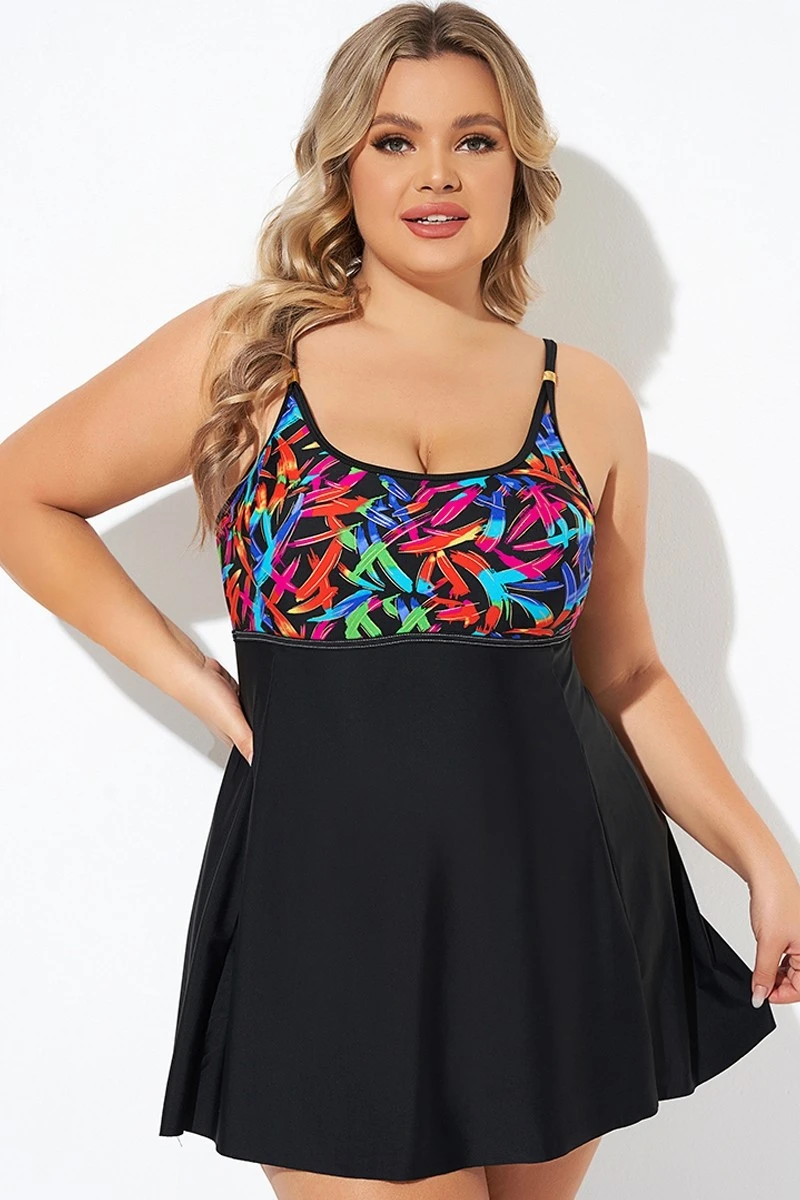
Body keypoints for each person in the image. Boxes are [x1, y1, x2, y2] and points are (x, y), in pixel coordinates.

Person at [1, 3, 798, 1198]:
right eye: (394, 140)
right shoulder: (247, 355)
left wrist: (758, 859)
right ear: (343, 164)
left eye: (474, 140)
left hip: (553, 899)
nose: (437, 175)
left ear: (516, 167)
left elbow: (625, 674)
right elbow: (21, 494)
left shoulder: (581, 397)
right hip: (325, 894)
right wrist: (204, 688)